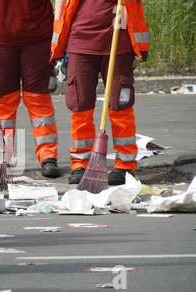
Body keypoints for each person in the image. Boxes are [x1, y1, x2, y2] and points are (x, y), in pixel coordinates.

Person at [52, 0, 150, 185]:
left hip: (118, 42)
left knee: (120, 106)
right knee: (80, 106)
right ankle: (81, 162)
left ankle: (124, 165)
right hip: (79, 41)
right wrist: (57, 22)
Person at [0, 0, 60, 178]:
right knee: (4, 100)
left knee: (39, 98)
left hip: (39, 35)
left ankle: (48, 157)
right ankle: (2, 156)